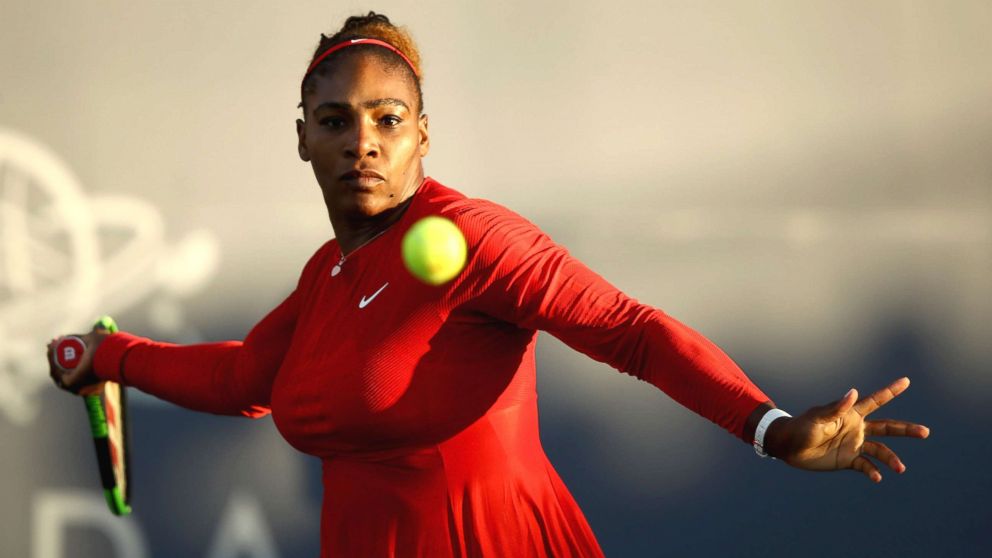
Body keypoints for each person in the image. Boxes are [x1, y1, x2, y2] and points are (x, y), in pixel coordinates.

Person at [49, 12, 930, 558]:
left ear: (423, 136)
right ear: (304, 140)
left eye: (388, 120)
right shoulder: (326, 277)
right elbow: (244, 380)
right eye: (336, 121)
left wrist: (771, 429)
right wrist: (110, 356)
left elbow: (630, 330)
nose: (364, 141)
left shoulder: (471, 238)